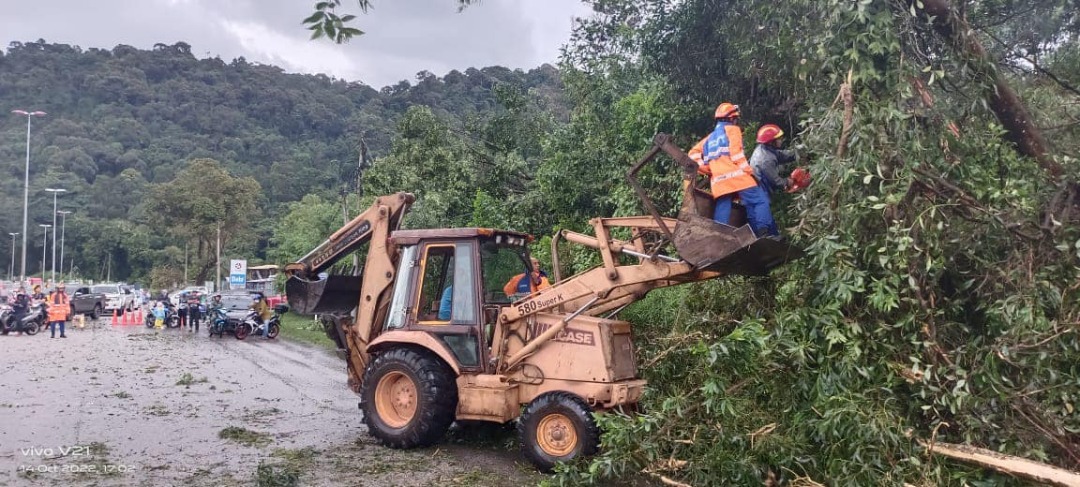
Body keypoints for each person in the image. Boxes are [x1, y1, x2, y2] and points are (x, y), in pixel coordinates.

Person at [687, 102, 777, 237]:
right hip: (738, 178)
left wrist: (708, 169)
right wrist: (750, 173)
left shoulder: (708, 139)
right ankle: (763, 232)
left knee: (723, 205)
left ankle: (718, 237)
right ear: (731, 119)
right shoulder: (733, 130)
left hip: (719, 182)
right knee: (759, 201)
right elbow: (737, 155)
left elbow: (692, 155)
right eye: (736, 119)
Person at [747, 124, 811, 237]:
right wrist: (788, 182)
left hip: (754, 184)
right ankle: (763, 235)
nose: (781, 140)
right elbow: (776, 181)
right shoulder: (765, 159)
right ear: (771, 142)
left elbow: (783, 155)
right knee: (762, 206)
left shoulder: (768, 150)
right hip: (756, 185)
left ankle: (774, 237)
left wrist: (800, 153)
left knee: (763, 214)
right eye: (779, 139)